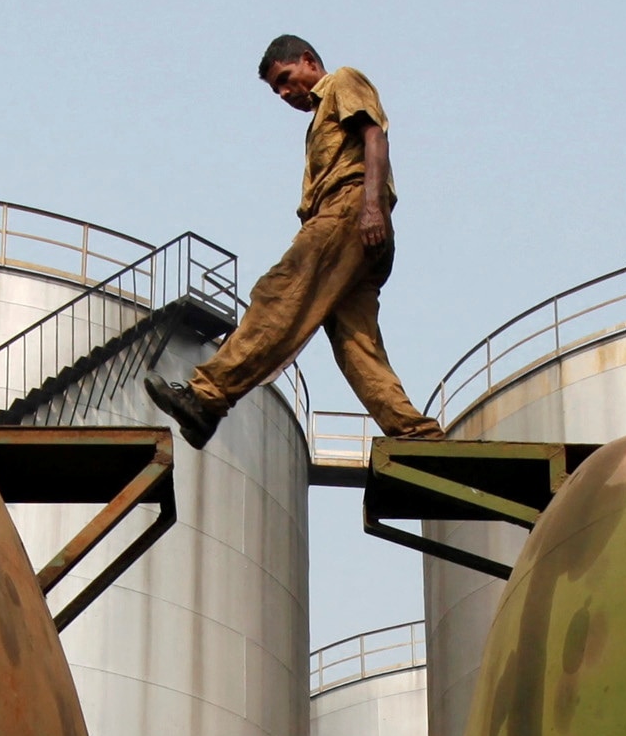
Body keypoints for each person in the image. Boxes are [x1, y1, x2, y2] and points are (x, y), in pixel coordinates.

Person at [146, 37, 442, 451]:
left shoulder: (342, 81)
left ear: (307, 61)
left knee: (279, 293)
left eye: (286, 80)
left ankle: (206, 397)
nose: (285, 93)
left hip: (348, 209)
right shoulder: (318, 118)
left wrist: (371, 205)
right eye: (276, 90)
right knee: (356, 344)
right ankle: (418, 436)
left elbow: (375, 137)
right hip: (350, 225)